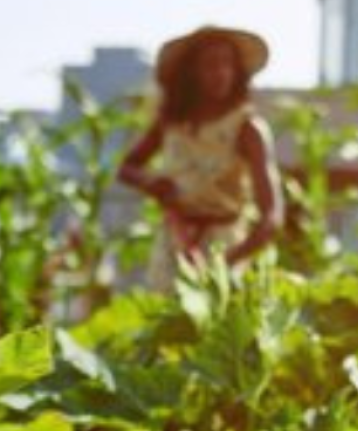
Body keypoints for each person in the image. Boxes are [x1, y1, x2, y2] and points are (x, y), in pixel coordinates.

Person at [117, 25, 282, 287]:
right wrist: (151, 183)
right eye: (210, 64)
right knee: (165, 319)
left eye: (227, 64)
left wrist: (229, 260)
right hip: (174, 240)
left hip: (225, 246)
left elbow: (271, 218)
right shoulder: (171, 123)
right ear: (191, 73)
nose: (220, 73)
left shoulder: (247, 129)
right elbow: (126, 168)